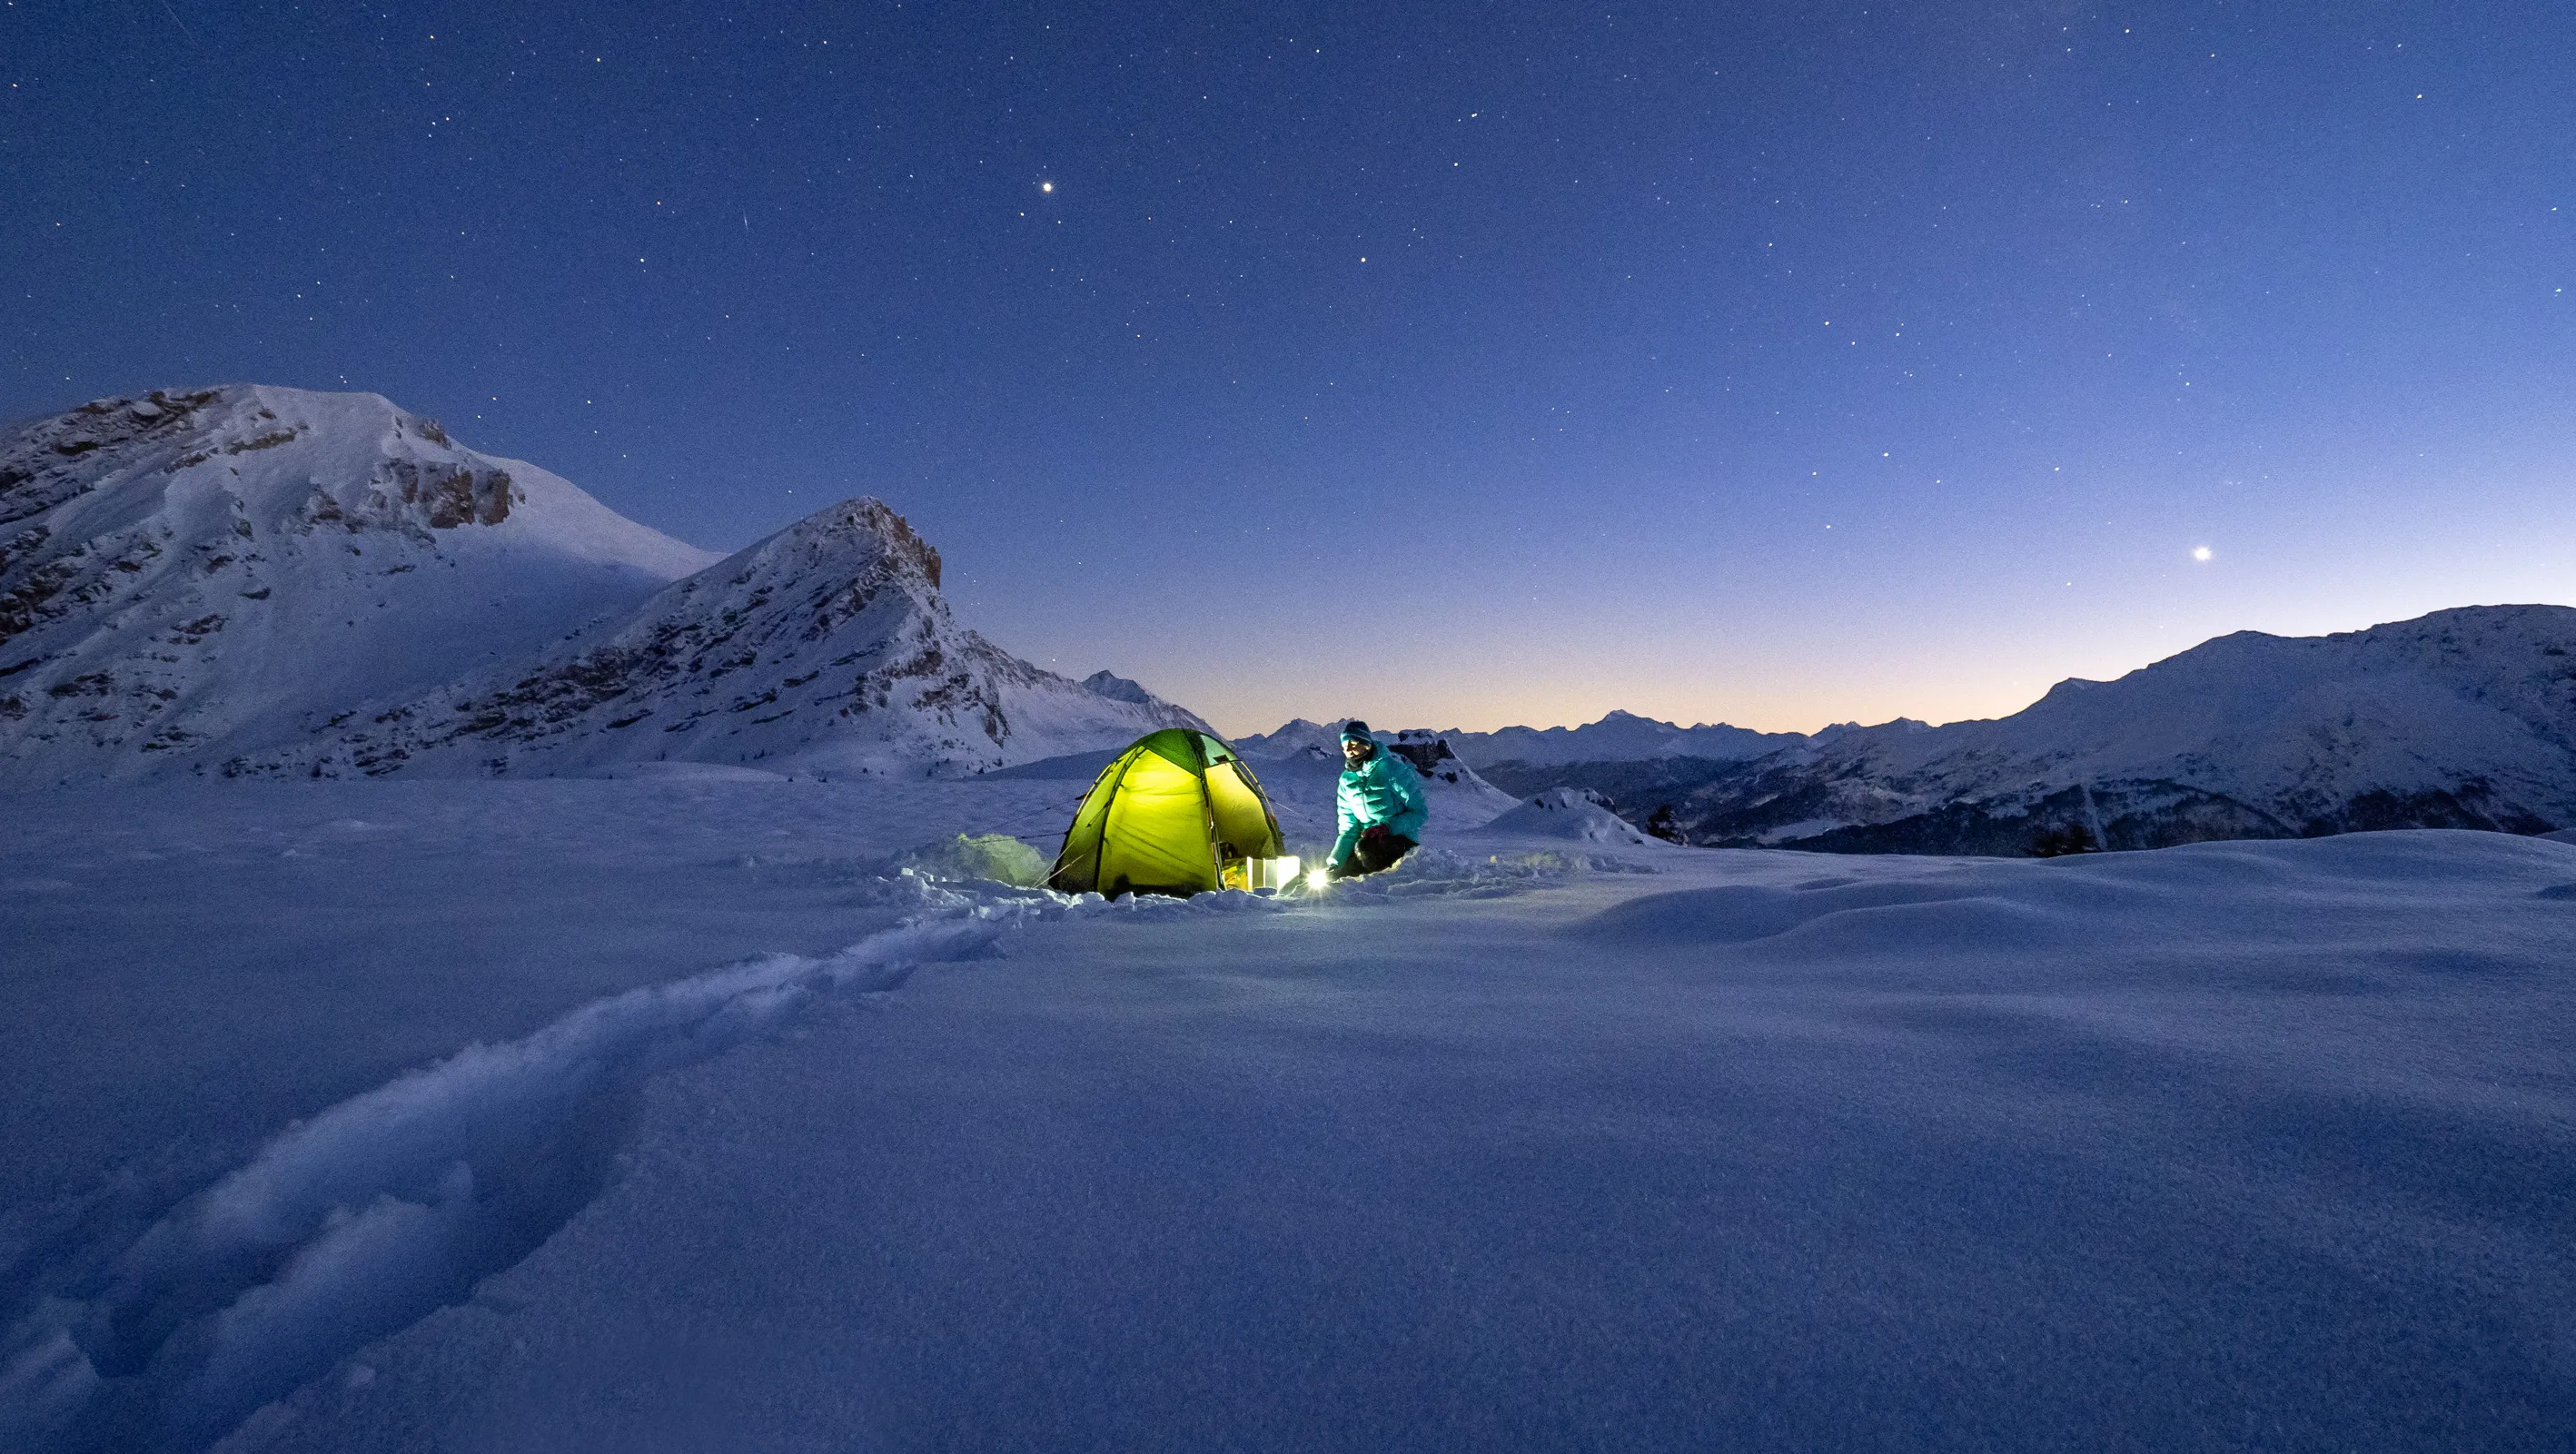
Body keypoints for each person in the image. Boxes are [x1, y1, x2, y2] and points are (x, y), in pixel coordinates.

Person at [1326, 720, 1426, 879]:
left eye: (1353, 743)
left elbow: (1420, 812)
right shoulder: (1346, 781)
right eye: (1344, 745)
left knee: (1364, 850)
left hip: (1399, 841)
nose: (1348, 749)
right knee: (1339, 876)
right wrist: (1335, 863)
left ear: (1366, 744)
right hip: (1366, 846)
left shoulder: (1393, 770)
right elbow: (1348, 829)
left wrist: (1388, 827)